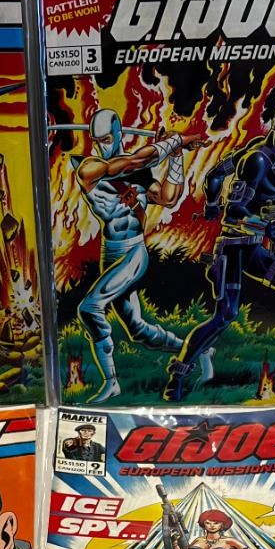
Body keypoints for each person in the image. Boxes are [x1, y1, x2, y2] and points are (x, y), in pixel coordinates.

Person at [167, 98, 275, 398]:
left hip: (252, 250)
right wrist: (226, 210)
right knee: (226, 314)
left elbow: (215, 175)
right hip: (233, 248)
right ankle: (178, 376)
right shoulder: (257, 160)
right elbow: (236, 210)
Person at [73, 110, 185, 400]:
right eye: (96, 141)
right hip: (110, 253)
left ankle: (111, 382)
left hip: (134, 252)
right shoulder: (89, 168)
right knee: (138, 330)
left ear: (118, 135)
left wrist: (176, 156)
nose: (101, 146)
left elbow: (168, 198)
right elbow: (129, 163)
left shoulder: (140, 173)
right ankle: (193, 348)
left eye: (106, 139)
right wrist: (173, 143)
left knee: (90, 308)